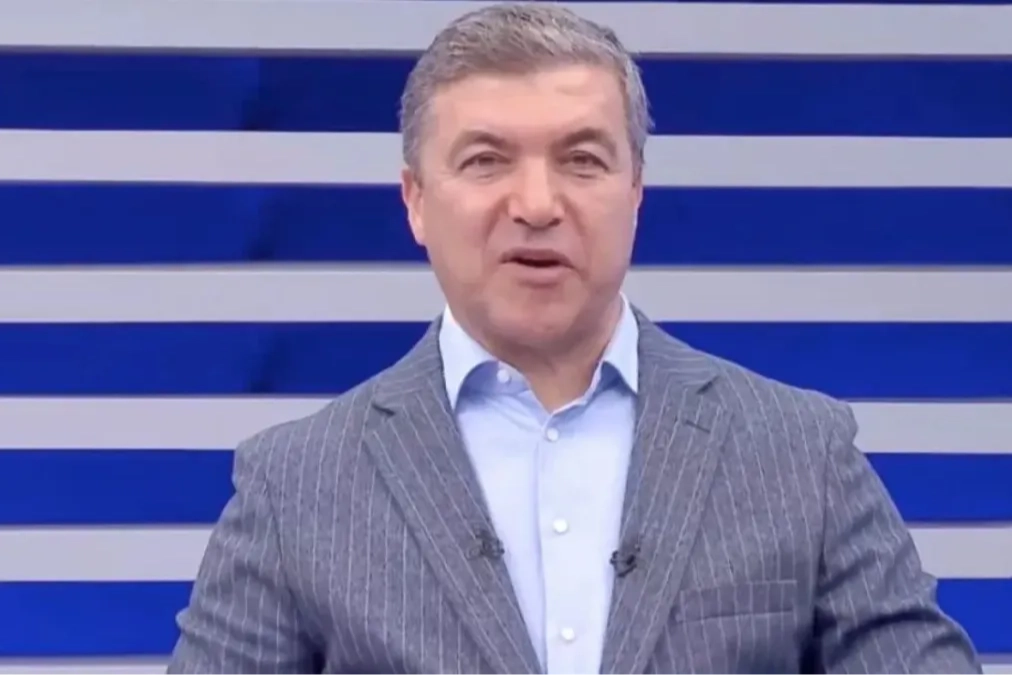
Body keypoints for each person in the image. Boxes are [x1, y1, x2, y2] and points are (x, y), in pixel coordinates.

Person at [167, 3, 984, 674]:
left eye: (582, 160)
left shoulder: (800, 452)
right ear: (415, 201)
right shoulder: (296, 486)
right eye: (486, 161)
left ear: (636, 192)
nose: (536, 204)